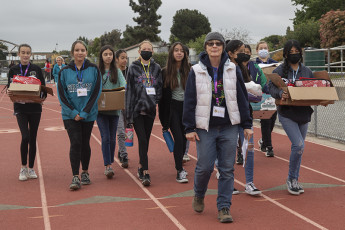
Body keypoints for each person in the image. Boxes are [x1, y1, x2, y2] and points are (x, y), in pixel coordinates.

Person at [183, 32, 252, 223]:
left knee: (227, 169)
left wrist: (247, 124)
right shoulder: (195, 70)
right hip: (205, 127)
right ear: (205, 47)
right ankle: (199, 193)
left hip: (229, 126)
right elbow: (189, 100)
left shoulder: (232, 69)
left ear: (223, 47)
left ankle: (224, 207)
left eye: (218, 44)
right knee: (204, 167)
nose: (214, 46)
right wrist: (189, 128)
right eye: (211, 43)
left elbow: (241, 97)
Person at [268, 39, 314, 195]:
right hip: (287, 112)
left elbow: (315, 88)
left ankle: (295, 178)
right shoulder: (279, 71)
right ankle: (291, 179)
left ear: (301, 53)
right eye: (291, 52)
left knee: (299, 149)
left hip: (303, 113)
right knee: (299, 145)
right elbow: (271, 87)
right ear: (286, 54)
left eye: (297, 52)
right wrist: (281, 93)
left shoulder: (307, 71)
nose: (294, 55)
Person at [57, 40, 101, 190]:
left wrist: (85, 112)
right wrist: (74, 112)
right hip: (70, 115)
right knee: (75, 142)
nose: (80, 52)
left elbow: (96, 92)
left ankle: (85, 172)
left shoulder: (94, 69)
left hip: (88, 114)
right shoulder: (64, 71)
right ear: (72, 53)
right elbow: (62, 95)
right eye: (77, 50)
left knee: (85, 142)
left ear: (86, 52)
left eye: (82, 50)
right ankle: (75, 176)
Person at [226, 40, 262, 196]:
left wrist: (255, 92)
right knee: (228, 152)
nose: (244, 53)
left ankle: (249, 183)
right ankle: (228, 182)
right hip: (229, 118)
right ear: (231, 53)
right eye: (240, 50)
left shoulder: (243, 69)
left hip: (246, 117)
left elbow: (247, 93)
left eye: (245, 51)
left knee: (250, 150)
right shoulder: (224, 70)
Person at [125, 40, 163, 186]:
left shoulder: (156, 67)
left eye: (149, 49)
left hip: (150, 110)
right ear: (139, 51)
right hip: (136, 110)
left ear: (152, 52)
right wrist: (128, 114)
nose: (147, 51)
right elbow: (129, 90)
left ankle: (141, 165)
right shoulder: (133, 67)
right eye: (144, 49)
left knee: (145, 140)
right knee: (142, 139)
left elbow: (159, 86)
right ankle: (146, 172)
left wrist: (155, 100)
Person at [7, 44, 47, 181]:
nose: (25, 55)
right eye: (23, 52)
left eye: (28, 53)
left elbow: (43, 88)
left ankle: (31, 168)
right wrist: (9, 93)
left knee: (33, 137)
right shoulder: (13, 70)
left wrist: (42, 97)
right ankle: (23, 167)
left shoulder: (36, 69)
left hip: (35, 108)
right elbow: (10, 88)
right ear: (19, 54)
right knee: (25, 137)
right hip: (20, 108)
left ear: (31, 55)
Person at [159, 42, 190, 183]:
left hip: (187, 108)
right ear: (172, 53)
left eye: (181, 51)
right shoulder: (165, 72)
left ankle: (180, 164)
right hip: (172, 109)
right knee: (178, 138)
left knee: (184, 140)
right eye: (176, 50)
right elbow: (162, 97)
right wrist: (163, 120)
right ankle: (180, 170)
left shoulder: (190, 70)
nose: (179, 53)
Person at [97, 45, 126, 179]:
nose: (108, 56)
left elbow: (123, 85)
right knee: (105, 137)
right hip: (101, 111)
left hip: (114, 110)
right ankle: (107, 165)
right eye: (105, 54)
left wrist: (122, 96)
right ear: (101, 56)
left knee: (113, 138)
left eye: (110, 54)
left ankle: (111, 161)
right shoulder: (97, 71)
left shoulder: (117, 71)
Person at [256, 41, 278, 156]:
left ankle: (264, 141)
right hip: (261, 96)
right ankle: (269, 147)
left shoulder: (274, 64)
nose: (263, 50)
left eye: (265, 48)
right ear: (257, 51)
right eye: (261, 48)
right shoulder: (254, 64)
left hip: (273, 96)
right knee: (266, 120)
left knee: (273, 119)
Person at [115, 49, 129, 168]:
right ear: (117, 59)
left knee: (127, 131)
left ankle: (121, 149)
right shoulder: (114, 73)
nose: (125, 60)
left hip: (129, 106)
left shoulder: (130, 72)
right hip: (118, 106)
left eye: (126, 58)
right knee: (120, 132)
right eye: (122, 58)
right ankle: (124, 155)